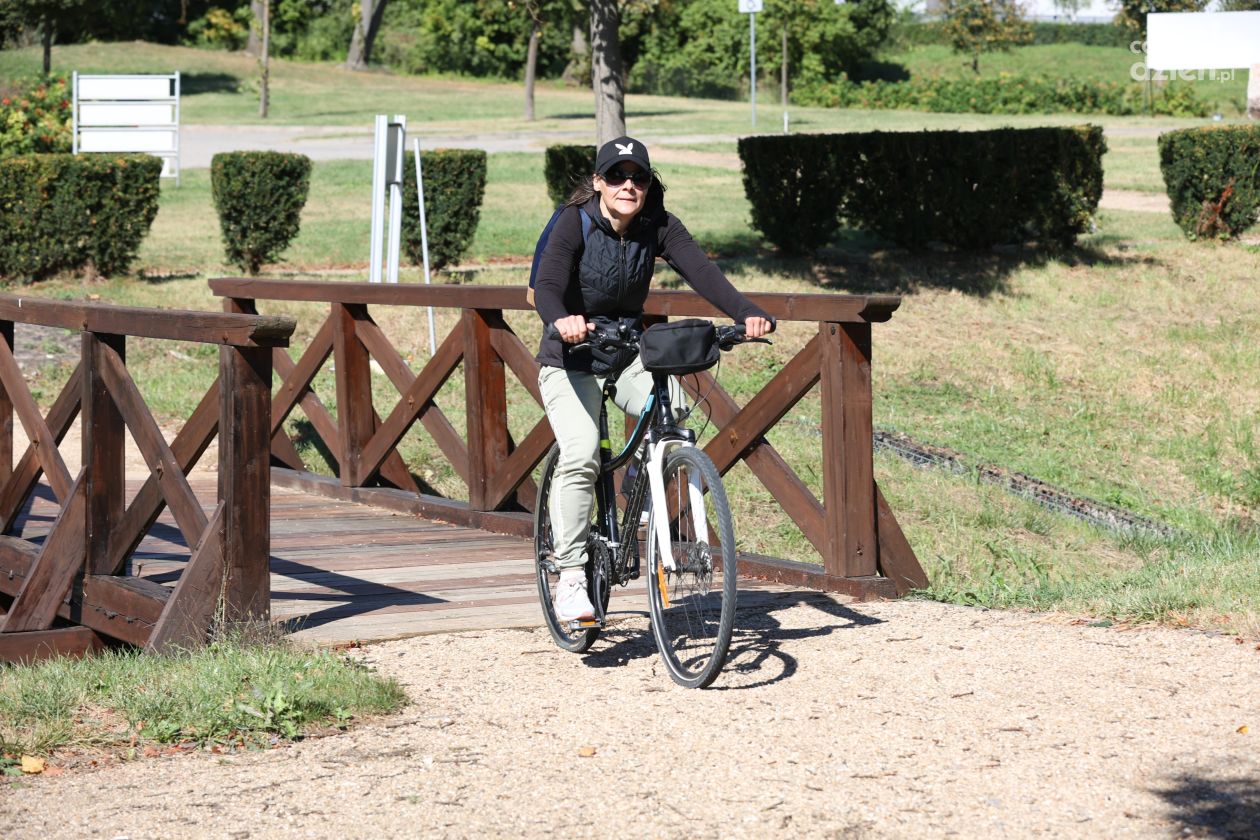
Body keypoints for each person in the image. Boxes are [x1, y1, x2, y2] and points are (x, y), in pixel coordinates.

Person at [533, 135, 774, 622]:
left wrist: (746, 312)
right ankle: (572, 575)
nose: (628, 186)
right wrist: (562, 319)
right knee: (581, 453)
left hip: (626, 352)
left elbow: (703, 273)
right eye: (617, 176)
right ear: (598, 182)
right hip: (570, 356)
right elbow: (547, 285)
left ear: (648, 184)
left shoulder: (658, 225)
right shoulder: (573, 221)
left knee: (677, 414)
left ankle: (641, 491)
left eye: (638, 177)